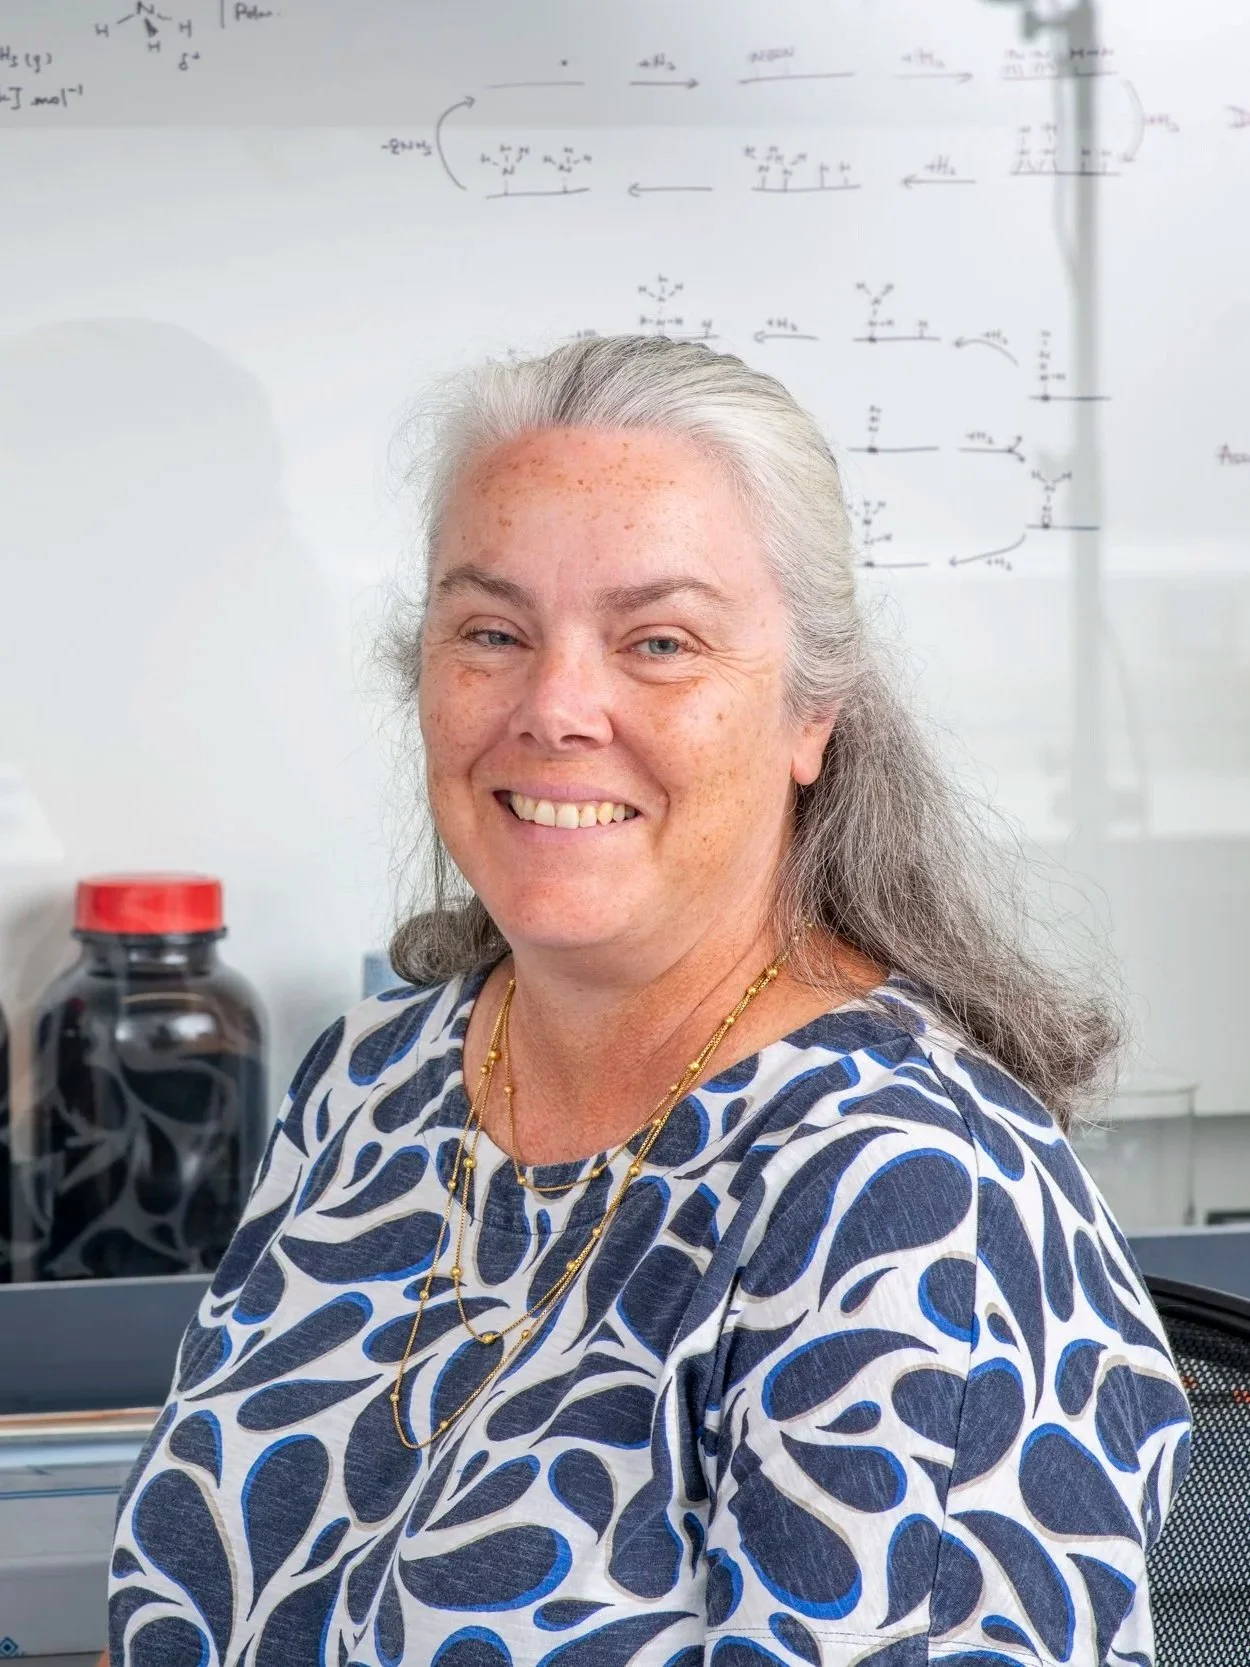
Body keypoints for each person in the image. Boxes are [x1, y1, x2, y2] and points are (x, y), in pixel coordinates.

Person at [105, 336, 1190, 1667]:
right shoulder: (371, 1082)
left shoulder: (903, 1193)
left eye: (658, 641)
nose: (555, 706)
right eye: (492, 632)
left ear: (810, 714)